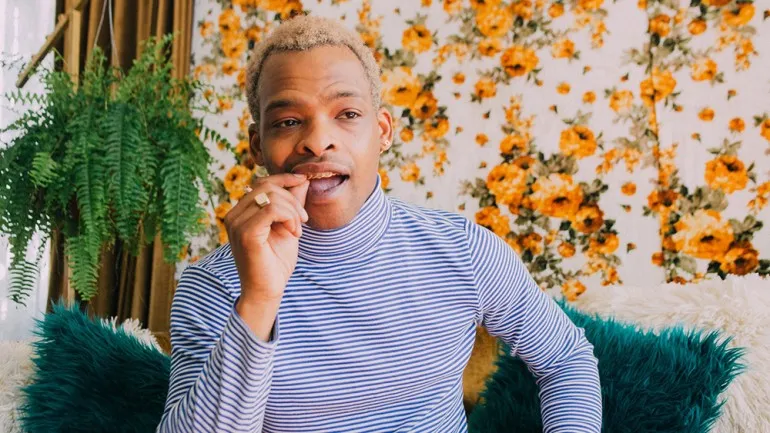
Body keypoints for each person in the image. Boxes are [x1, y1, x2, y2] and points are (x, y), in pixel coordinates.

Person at [157, 15, 602, 433]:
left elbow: (566, 358)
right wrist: (259, 299)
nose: (317, 141)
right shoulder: (211, 286)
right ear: (258, 146)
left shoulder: (463, 250)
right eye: (288, 121)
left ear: (383, 131)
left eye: (347, 114)